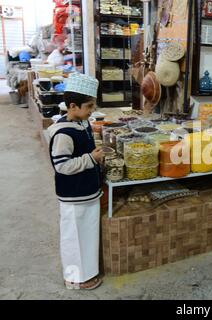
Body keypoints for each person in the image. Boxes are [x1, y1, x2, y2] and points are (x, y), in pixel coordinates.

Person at [48, 73, 104, 290]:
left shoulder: (83, 122)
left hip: (86, 192)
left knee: (86, 234)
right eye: (89, 106)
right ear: (73, 106)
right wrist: (91, 158)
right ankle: (74, 278)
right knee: (74, 238)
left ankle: (86, 273)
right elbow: (62, 166)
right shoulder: (63, 133)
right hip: (73, 195)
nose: (92, 110)